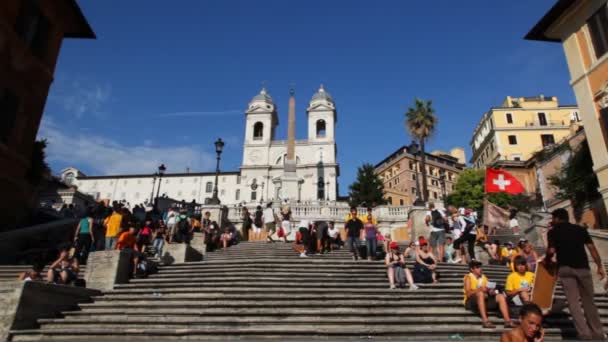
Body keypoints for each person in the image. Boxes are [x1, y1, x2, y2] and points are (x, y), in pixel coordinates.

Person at [544, 208, 605, 340]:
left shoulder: (553, 232)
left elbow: (551, 250)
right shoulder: (580, 230)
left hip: (565, 269)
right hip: (583, 268)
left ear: (557, 218)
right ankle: (598, 332)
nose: (552, 221)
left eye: (553, 218)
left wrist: (547, 261)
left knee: (573, 302)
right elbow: (592, 248)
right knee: (589, 301)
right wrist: (599, 266)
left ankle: (584, 333)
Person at [463, 260, 515, 329]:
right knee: (480, 293)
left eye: (480, 267)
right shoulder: (468, 277)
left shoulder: (484, 278)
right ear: (472, 269)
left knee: (500, 296)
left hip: (485, 299)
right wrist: (480, 289)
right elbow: (468, 293)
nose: (480, 269)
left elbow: (488, 288)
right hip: (471, 302)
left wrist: (491, 291)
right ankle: (485, 321)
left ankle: (507, 321)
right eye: (477, 267)